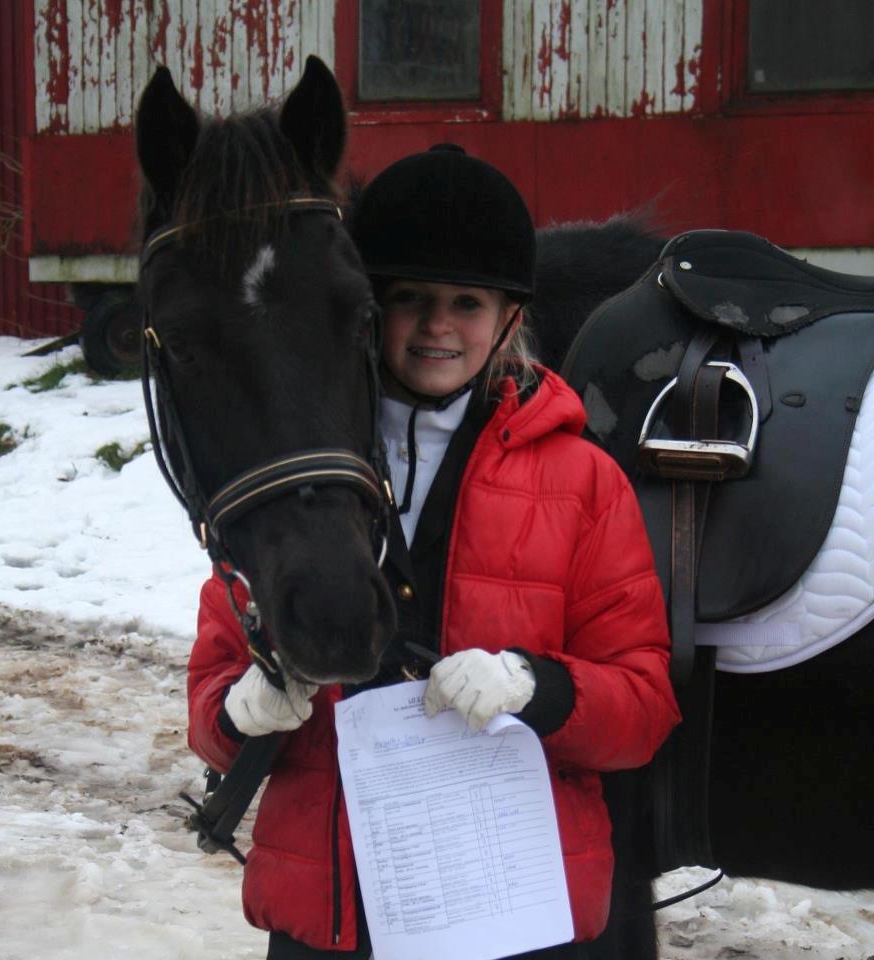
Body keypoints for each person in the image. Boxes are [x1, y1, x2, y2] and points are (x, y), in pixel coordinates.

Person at [187, 144, 681, 959]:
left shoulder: (585, 481)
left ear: (511, 319)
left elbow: (641, 705)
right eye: (410, 299)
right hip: (339, 921)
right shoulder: (292, 477)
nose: (439, 327)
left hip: (521, 915)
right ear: (368, 308)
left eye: (468, 303)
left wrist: (540, 687)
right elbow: (211, 693)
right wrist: (239, 711)